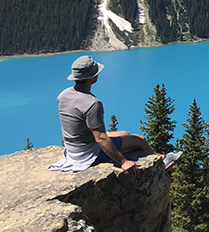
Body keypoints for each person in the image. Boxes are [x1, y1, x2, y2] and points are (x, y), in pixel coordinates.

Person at [49, 55, 181, 173]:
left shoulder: (63, 95)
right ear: (92, 77)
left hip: (72, 148)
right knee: (140, 140)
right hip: (87, 152)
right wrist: (123, 162)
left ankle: (160, 157)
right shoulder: (92, 103)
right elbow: (100, 138)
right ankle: (162, 161)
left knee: (125, 133)